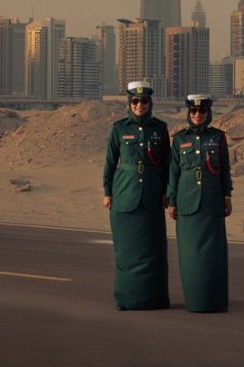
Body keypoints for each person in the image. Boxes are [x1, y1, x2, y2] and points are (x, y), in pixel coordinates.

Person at [102, 79, 171, 310]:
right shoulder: (119, 129)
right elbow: (110, 163)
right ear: (129, 103)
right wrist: (107, 192)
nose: (140, 105)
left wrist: (166, 192)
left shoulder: (160, 129)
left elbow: (167, 164)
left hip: (151, 195)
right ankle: (127, 298)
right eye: (135, 101)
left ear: (150, 103)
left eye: (144, 101)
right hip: (125, 194)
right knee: (128, 251)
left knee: (153, 250)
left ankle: (154, 299)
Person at [167, 94, 232, 313]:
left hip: (212, 203)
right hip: (187, 204)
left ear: (208, 113)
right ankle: (195, 301)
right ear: (188, 113)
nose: (197, 115)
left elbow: (224, 169)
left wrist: (227, 196)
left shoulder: (218, 138)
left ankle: (215, 301)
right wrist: (172, 202)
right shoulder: (178, 139)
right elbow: (173, 173)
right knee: (190, 256)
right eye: (193, 112)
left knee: (213, 257)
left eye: (202, 111)